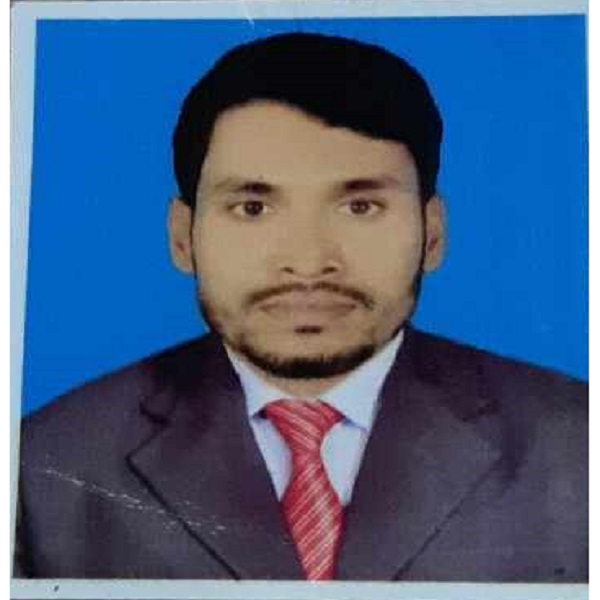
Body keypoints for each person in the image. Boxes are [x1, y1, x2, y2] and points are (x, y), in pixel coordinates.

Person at [15, 32, 587, 582]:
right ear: (182, 237)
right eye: (253, 208)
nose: (309, 263)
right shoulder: (44, 466)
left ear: (432, 232)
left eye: (360, 206)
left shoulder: (577, 445)